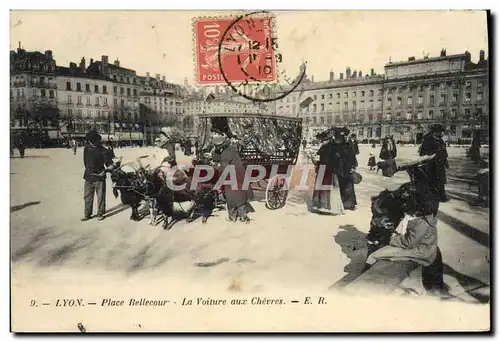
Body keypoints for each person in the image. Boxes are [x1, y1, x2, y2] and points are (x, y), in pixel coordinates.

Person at [346, 187, 441, 295]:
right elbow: (379, 222)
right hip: (409, 242)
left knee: (383, 254)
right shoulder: (390, 202)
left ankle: (431, 286)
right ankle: (367, 272)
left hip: (415, 247)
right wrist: (385, 226)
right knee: (378, 250)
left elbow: (410, 239)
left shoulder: (417, 215)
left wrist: (392, 235)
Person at [211, 128, 254, 223]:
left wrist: (215, 165)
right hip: (240, 175)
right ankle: (243, 216)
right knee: (240, 195)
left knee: (231, 196)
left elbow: (223, 168)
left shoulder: (225, 154)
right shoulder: (231, 149)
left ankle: (233, 217)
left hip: (232, 177)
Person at [81, 130, 114, 222]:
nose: (91, 142)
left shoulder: (103, 150)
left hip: (100, 177)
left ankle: (100, 213)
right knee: (87, 197)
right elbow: (85, 162)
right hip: (88, 177)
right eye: (90, 141)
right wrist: (89, 170)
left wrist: (105, 171)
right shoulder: (86, 148)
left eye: (92, 141)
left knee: (100, 197)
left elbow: (110, 164)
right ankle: (87, 214)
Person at [311, 129, 345, 215]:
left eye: (324, 140)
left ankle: (327, 206)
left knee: (327, 187)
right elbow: (320, 157)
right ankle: (320, 206)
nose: (322, 142)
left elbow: (336, 159)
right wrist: (315, 160)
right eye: (322, 140)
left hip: (329, 170)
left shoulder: (332, 147)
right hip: (322, 168)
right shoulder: (324, 147)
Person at [419, 124, 449, 202]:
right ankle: (433, 197)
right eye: (441, 132)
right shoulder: (428, 140)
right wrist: (433, 154)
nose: (442, 133)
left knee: (441, 180)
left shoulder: (440, 140)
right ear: (435, 132)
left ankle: (442, 196)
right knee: (432, 181)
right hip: (431, 165)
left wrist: (446, 162)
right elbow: (423, 153)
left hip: (440, 164)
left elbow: (444, 152)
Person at [333, 127, 358, 211]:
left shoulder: (348, 145)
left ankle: (350, 204)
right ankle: (342, 203)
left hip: (347, 168)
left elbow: (352, 156)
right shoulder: (336, 145)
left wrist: (353, 167)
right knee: (340, 185)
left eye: (338, 139)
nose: (337, 140)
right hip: (339, 168)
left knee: (348, 186)